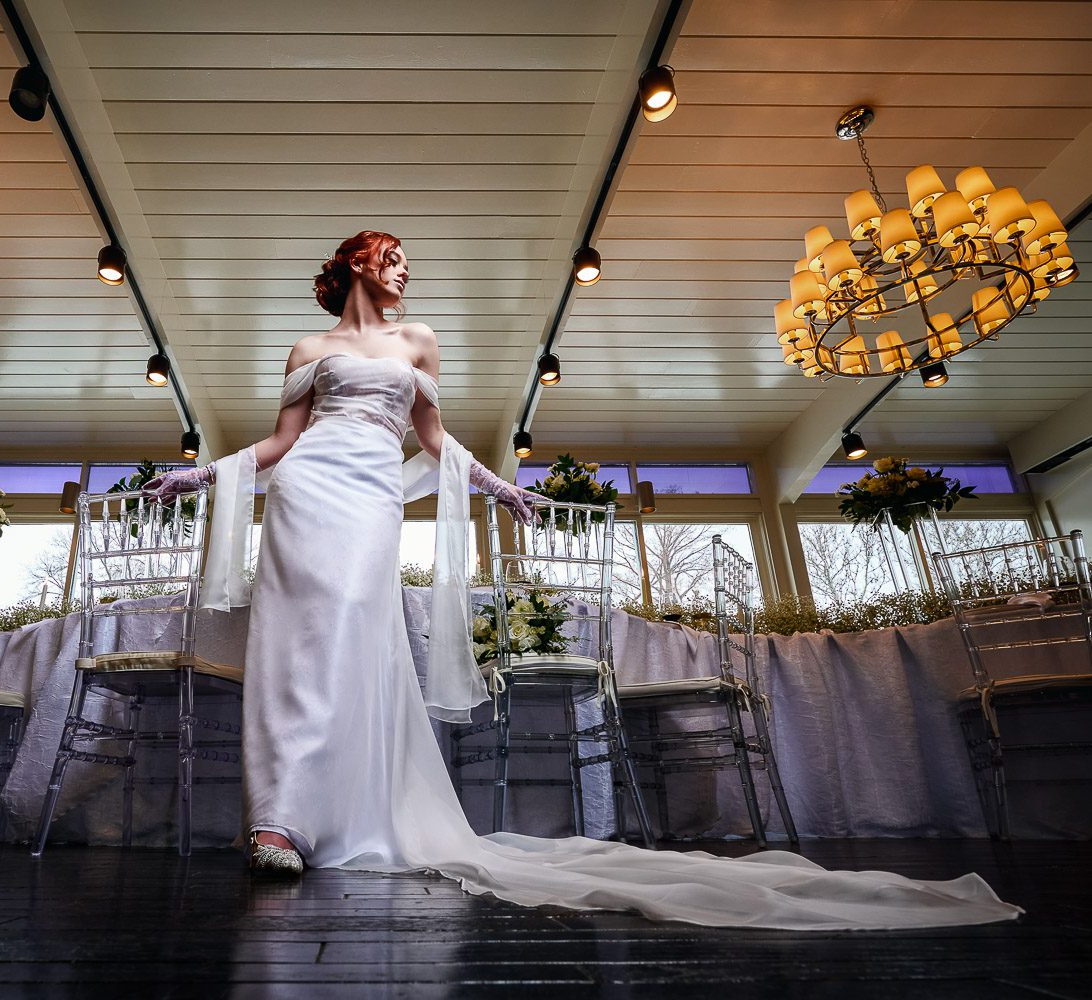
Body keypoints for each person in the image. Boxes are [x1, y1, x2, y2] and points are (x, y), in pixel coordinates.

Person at [142, 231, 1020, 929]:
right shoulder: (310, 345)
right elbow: (283, 441)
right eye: (393, 256)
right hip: (305, 490)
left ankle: (337, 813)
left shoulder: (421, 342)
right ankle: (277, 822)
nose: (405, 269)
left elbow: (437, 444)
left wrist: (497, 486)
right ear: (358, 263)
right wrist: (203, 474)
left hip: (371, 497)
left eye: (407, 260)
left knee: (352, 641)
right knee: (295, 642)